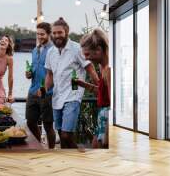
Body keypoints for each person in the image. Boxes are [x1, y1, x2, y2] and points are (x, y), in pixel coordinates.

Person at [45, 17, 99, 149]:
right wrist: (45, 90)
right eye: (55, 33)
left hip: (73, 96)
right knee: (61, 133)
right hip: (57, 97)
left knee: (66, 135)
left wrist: (99, 87)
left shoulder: (76, 49)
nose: (57, 35)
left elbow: (90, 68)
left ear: (66, 32)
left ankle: (79, 160)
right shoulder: (51, 52)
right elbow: (49, 74)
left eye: (60, 32)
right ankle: (68, 161)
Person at [75, 29, 110, 148]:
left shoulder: (108, 70)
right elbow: (102, 92)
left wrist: (107, 134)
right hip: (102, 114)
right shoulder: (101, 66)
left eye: (87, 54)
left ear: (99, 50)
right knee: (96, 146)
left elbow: (112, 105)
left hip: (107, 116)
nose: (86, 59)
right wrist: (82, 84)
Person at [25, 22, 55, 149]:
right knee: (31, 122)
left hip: (47, 93)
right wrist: (29, 73)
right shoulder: (34, 50)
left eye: (42, 34)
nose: (39, 36)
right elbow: (34, 69)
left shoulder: (54, 50)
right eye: (37, 34)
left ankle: (52, 150)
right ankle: (39, 147)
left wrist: (45, 88)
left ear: (49, 34)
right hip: (32, 91)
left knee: (48, 125)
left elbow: (55, 73)